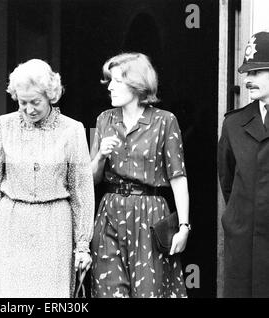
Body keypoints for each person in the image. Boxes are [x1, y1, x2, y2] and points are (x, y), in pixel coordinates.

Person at [0, 59, 94, 298]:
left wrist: (82, 245)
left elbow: (82, 190)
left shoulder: (72, 130)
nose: (28, 110)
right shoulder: (3, 126)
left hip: (54, 229)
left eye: (35, 102)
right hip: (11, 228)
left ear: (51, 95)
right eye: (22, 102)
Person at [90, 53, 190, 298]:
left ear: (136, 84)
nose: (110, 86)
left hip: (150, 215)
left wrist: (184, 226)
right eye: (109, 80)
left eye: (116, 81)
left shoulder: (165, 121)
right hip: (110, 213)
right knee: (107, 292)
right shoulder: (104, 119)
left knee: (150, 293)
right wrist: (101, 156)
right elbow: (90, 179)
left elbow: (178, 177)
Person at [218, 31, 269, 297]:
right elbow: (228, 183)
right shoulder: (233, 124)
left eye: (257, 72)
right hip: (243, 248)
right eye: (246, 73)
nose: (247, 80)